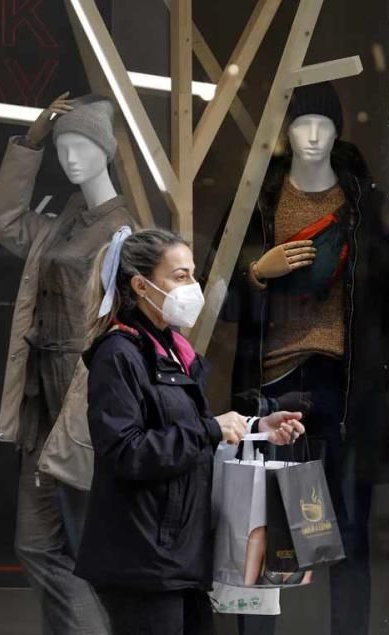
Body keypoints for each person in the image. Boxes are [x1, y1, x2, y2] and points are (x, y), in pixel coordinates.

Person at [219, 82, 389, 635]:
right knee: (259, 529)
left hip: (346, 384)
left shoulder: (365, 206)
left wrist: (388, 363)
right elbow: (215, 300)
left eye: (323, 124)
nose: (312, 135)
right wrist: (258, 273)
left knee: (349, 532)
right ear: (286, 135)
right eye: (301, 124)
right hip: (270, 386)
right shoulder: (258, 202)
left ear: (338, 133)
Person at [74, 227, 305, 635]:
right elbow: (126, 452)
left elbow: (187, 434)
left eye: (193, 275)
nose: (193, 288)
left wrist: (252, 428)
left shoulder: (174, 352)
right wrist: (209, 430)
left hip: (181, 553)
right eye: (179, 277)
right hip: (143, 558)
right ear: (141, 286)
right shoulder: (119, 354)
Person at [0, 92, 138, 634]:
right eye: (63, 146)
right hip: (39, 409)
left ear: (106, 150)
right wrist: (31, 142)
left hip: (83, 413)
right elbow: (1, 218)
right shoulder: (61, 222)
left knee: (81, 547)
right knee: (36, 544)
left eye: (82, 144)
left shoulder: (125, 235)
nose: (70, 157)